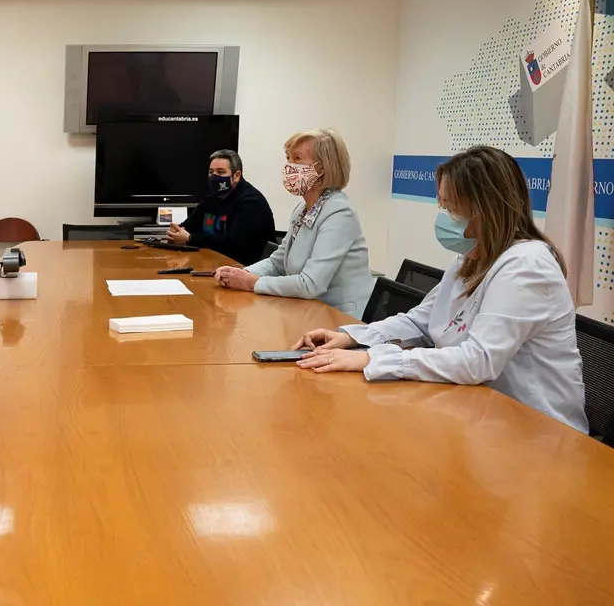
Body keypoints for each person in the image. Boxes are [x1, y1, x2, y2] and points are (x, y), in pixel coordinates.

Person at [293, 145, 587, 433]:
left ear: (486, 208)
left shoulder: (527, 265)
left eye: (452, 208)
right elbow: (421, 321)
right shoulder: (474, 256)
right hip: (477, 413)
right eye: (442, 205)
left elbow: (477, 360)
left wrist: (375, 359)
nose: (444, 216)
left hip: (539, 434)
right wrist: (352, 336)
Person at [214, 128, 373, 318]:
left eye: (297, 159)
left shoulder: (339, 212)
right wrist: (239, 273)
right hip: (305, 311)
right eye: (288, 158)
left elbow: (310, 284)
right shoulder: (302, 209)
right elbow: (277, 263)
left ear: (322, 168)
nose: (289, 166)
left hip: (339, 319)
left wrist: (251, 282)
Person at [165, 149, 275, 265]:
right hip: (210, 263)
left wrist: (190, 239)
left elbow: (233, 242)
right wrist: (176, 232)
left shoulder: (251, 202)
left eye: (221, 172)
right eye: (211, 172)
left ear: (236, 176)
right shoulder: (212, 198)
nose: (214, 177)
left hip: (244, 268)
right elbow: (189, 226)